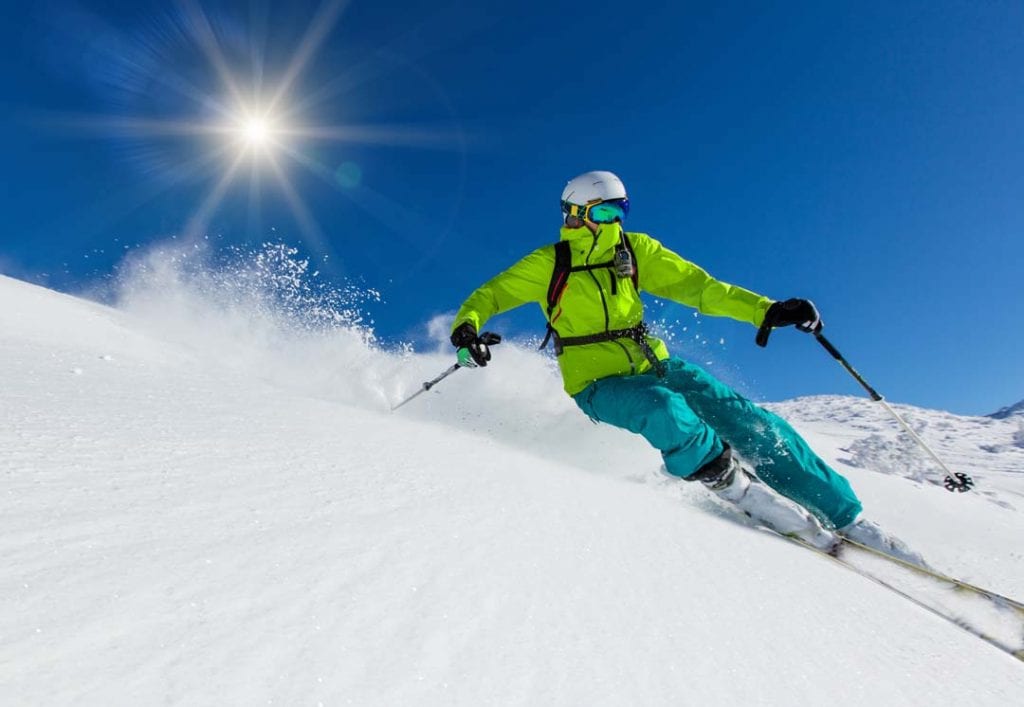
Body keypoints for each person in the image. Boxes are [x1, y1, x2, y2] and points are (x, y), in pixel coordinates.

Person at [449, 170, 922, 563]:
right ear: (575, 213)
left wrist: (766, 310)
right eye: (605, 212)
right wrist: (466, 330)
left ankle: (847, 518)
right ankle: (736, 488)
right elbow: (490, 295)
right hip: (596, 383)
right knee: (665, 410)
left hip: (656, 363)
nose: (615, 220)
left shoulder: (633, 252)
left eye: (621, 211)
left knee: (752, 422)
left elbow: (700, 288)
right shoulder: (548, 264)